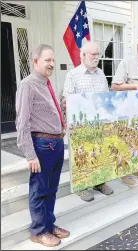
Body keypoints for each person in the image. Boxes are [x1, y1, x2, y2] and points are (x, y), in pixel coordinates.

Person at [16, 44, 70, 247]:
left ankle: (49, 224)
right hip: (42, 146)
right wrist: (30, 155)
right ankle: (38, 231)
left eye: (53, 60)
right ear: (35, 61)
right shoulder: (28, 84)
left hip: (55, 143)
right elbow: (22, 122)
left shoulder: (46, 83)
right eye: (48, 60)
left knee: (51, 189)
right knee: (39, 189)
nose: (52, 64)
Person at [60, 41, 114, 202]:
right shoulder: (73, 74)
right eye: (93, 54)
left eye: (98, 54)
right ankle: (81, 187)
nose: (96, 57)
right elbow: (66, 100)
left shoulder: (101, 74)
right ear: (83, 55)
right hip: (80, 124)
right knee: (81, 155)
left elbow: (106, 96)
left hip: (98, 123)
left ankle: (99, 182)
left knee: (99, 152)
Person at [111, 36, 138, 188]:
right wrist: (134, 87)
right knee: (127, 143)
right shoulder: (127, 63)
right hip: (127, 113)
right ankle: (125, 173)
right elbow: (115, 86)